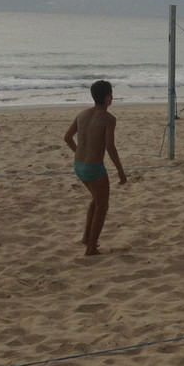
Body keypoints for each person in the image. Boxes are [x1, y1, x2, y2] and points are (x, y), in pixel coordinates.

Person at [64, 80, 128, 256]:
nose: (112, 97)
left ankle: (86, 237)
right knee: (103, 206)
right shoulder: (109, 119)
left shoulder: (83, 114)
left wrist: (80, 153)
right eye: (111, 94)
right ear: (108, 97)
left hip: (79, 166)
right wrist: (121, 171)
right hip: (94, 169)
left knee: (96, 199)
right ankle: (91, 247)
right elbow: (110, 147)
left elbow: (67, 137)